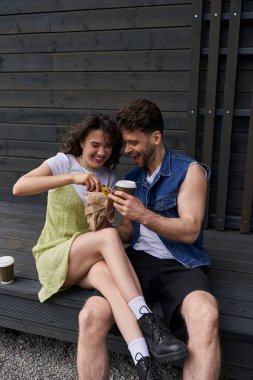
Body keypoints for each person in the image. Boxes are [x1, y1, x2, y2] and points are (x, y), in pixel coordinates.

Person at [12, 113, 188, 380]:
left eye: (108, 146)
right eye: (96, 144)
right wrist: (72, 178)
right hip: (55, 254)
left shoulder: (108, 177)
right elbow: (19, 187)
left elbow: (101, 231)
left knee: (112, 285)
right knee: (110, 240)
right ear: (82, 141)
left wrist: (114, 209)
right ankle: (148, 319)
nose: (102, 152)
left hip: (85, 257)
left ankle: (144, 362)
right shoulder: (63, 163)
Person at [79, 100, 221, 380]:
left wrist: (143, 213)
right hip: (139, 263)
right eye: (125, 142)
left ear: (156, 137)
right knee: (90, 315)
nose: (126, 149)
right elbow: (129, 231)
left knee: (206, 315)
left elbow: (191, 230)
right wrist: (104, 229)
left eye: (133, 142)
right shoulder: (132, 178)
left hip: (181, 263)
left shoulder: (189, 172)